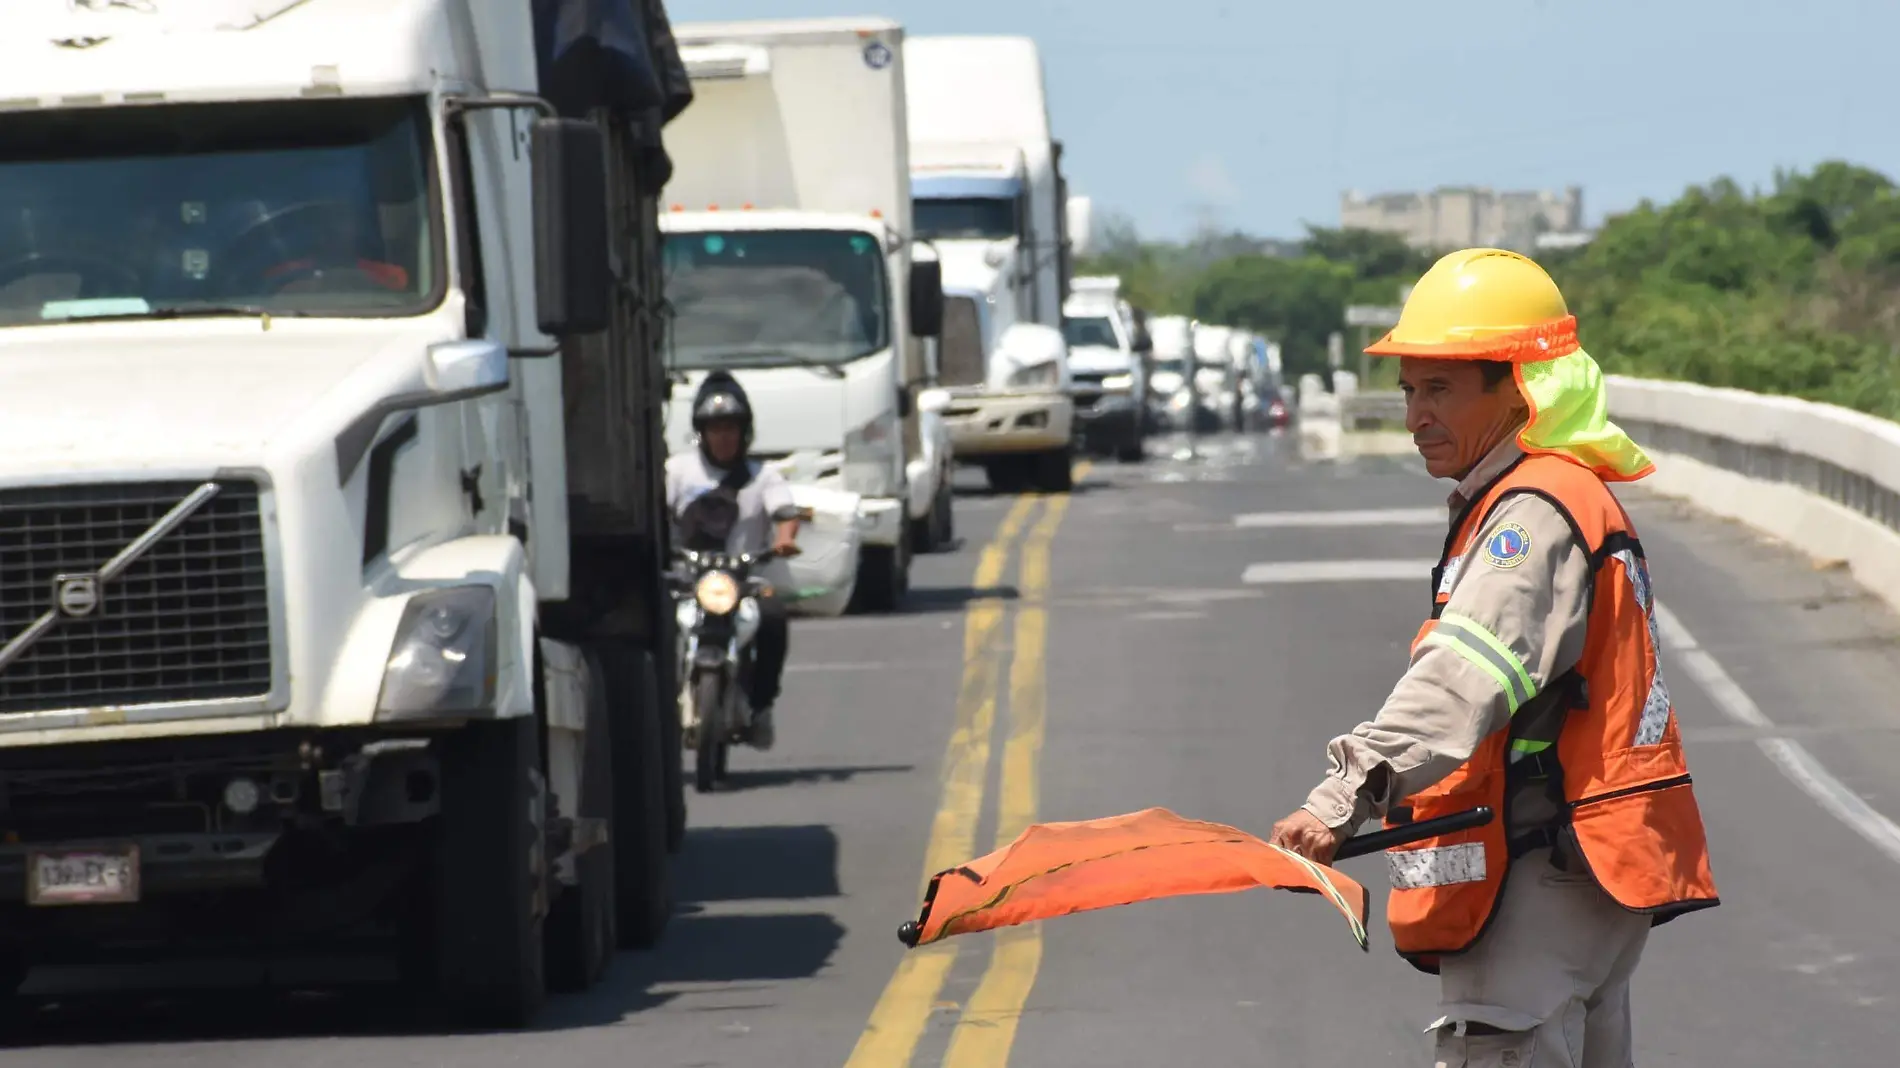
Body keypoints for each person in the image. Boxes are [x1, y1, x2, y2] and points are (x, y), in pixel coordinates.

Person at [1267, 248, 1721, 1068]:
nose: (1414, 416)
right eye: (1408, 389)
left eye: (1439, 388)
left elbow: (1461, 679)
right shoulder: (1562, 490)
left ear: (1519, 386)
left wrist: (1344, 794)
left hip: (1539, 883)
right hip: (1586, 882)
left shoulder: (1530, 517)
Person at [665, 371, 801, 749]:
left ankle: (761, 706)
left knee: (774, 616)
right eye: (715, 428)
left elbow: (786, 514)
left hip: (746, 582)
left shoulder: (764, 476)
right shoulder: (677, 471)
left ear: (745, 432)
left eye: (731, 428)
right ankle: (663, 705)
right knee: (656, 623)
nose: (723, 436)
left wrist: (785, 540)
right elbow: (658, 515)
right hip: (688, 580)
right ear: (701, 432)